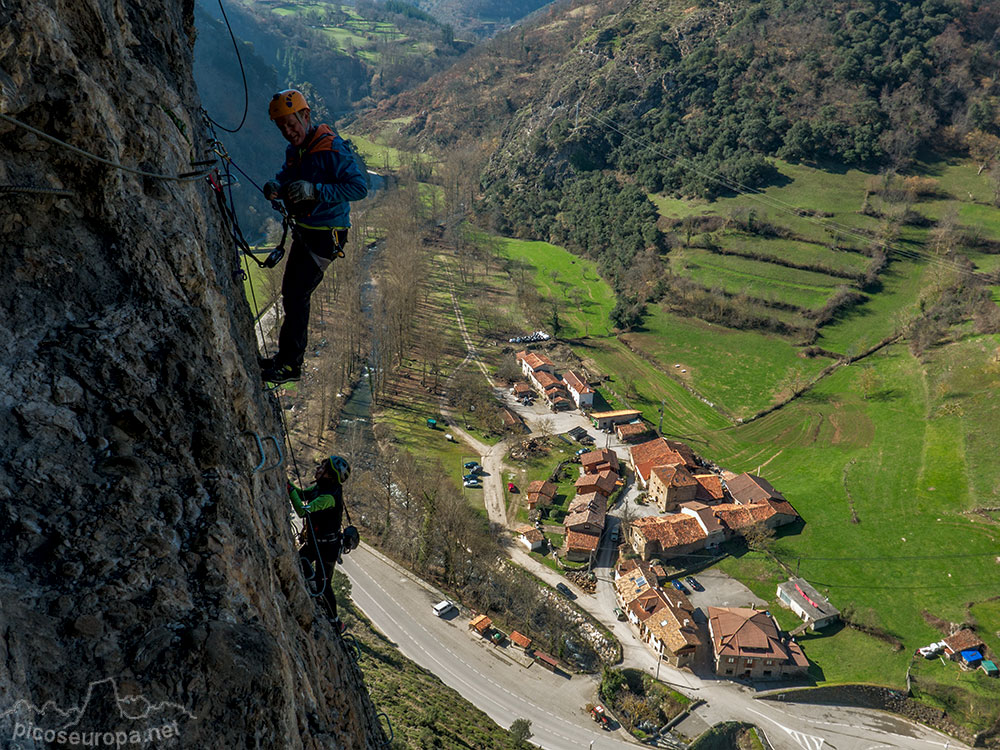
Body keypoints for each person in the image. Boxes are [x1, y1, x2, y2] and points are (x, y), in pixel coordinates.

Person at [260, 89, 369, 384]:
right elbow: (288, 174)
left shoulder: (331, 148)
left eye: (291, 124)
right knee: (291, 295)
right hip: (308, 230)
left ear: (305, 116)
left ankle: (290, 365)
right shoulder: (296, 150)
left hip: (326, 235)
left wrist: (316, 190)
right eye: (282, 127)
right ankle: (285, 361)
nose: (288, 131)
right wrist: (276, 185)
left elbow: (358, 187)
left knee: (296, 296)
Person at [288, 454, 355, 633]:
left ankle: (336, 622)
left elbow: (303, 511)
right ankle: (313, 588)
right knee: (299, 562)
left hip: (327, 549)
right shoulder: (320, 487)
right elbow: (302, 494)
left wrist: (289, 489)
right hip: (315, 543)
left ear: (330, 476)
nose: (318, 469)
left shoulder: (330, 497)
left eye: (323, 468)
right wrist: (288, 485)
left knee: (325, 586)